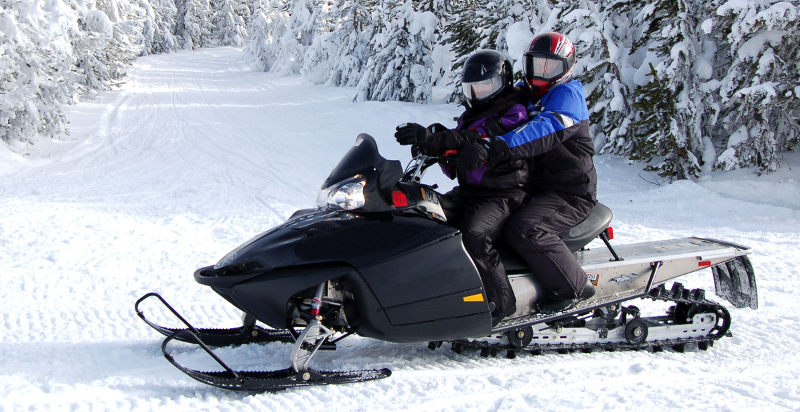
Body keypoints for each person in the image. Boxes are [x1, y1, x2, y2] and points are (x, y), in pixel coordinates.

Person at [394, 50, 529, 324]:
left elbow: (480, 138)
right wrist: (434, 144)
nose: (478, 93)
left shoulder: (514, 112)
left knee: (475, 234)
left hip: (503, 194)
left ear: (502, 82)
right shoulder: (472, 115)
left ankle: (502, 303)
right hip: (473, 193)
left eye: (485, 86)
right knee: (428, 217)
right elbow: (459, 158)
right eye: (472, 88)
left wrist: (439, 141)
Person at [490, 32, 598, 311]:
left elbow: (544, 129)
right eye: (536, 65)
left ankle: (572, 288)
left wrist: (500, 146)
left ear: (566, 68)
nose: (541, 72)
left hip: (570, 191)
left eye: (550, 66)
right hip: (537, 187)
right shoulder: (526, 94)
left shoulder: (567, 96)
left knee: (527, 229)